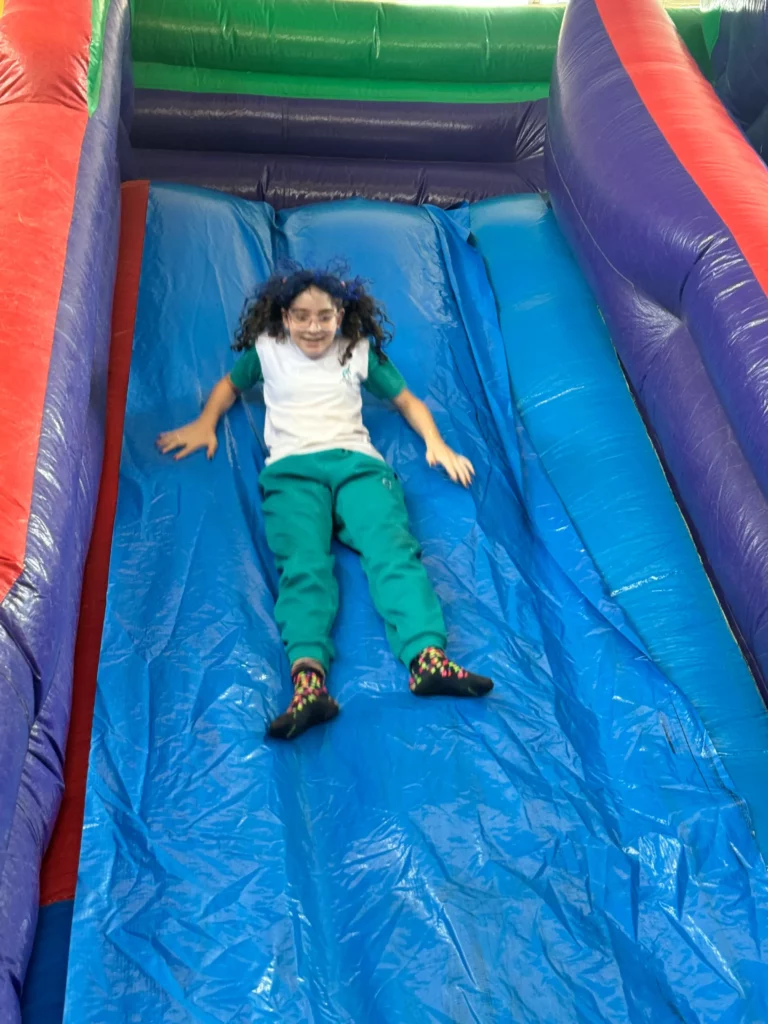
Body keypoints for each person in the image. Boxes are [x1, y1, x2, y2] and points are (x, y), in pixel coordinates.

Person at [158, 269, 493, 740]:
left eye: (324, 316)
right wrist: (205, 423)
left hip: (357, 466)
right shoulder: (267, 351)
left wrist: (436, 443)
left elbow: (406, 401)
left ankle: (427, 660)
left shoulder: (356, 350)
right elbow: (228, 386)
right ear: (283, 317)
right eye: (301, 316)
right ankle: (309, 683)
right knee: (303, 566)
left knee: (393, 550)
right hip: (293, 472)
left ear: (341, 315)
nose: (313, 327)